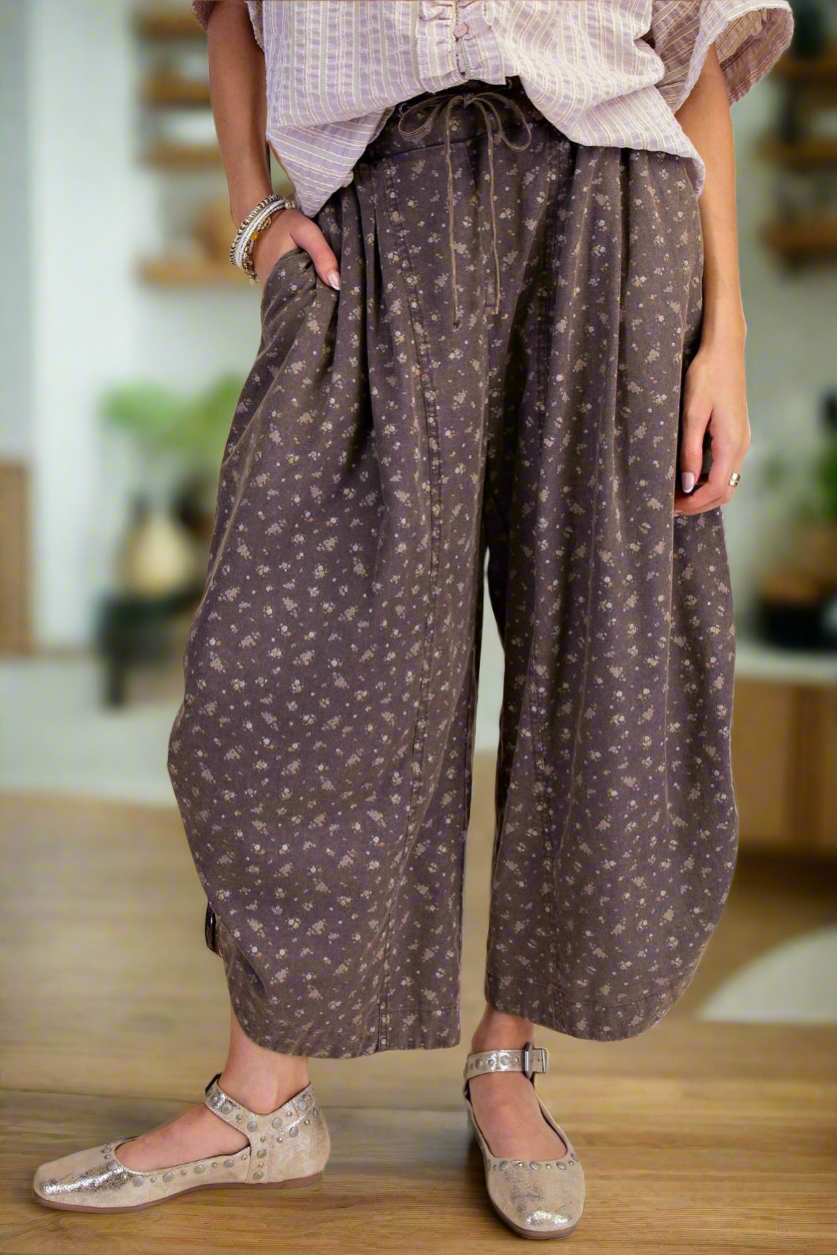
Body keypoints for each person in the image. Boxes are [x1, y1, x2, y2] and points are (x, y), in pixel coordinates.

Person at [34, 0, 793, 1238]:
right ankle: (265, 1098)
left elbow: (691, 58)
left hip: (611, 214)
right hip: (375, 215)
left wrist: (728, 337)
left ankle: (507, 1060)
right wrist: (253, 216)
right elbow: (230, 15)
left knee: (600, 657)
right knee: (288, 671)